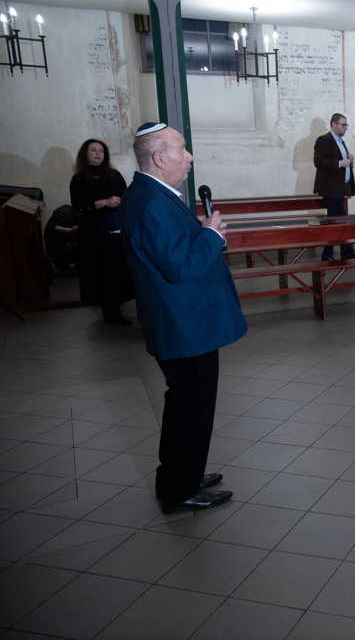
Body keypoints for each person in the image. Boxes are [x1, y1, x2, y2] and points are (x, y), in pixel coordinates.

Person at [119, 122, 246, 513]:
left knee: (187, 404)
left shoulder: (150, 193)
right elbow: (178, 265)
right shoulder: (152, 202)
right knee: (190, 406)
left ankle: (182, 473)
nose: (189, 157)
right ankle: (180, 489)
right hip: (182, 325)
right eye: (181, 149)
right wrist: (211, 235)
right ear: (159, 157)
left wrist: (204, 233)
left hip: (185, 321)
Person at [70, 138, 135, 325]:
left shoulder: (113, 174)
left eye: (101, 150)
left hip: (114, 223)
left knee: (117, 266)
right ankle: (109, 308)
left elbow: (127, 195)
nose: (98, 153)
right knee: (101, 268)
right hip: (93, 228)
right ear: (85, 154)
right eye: (93, 150)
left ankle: (117, 304)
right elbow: (78, 206)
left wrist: (119, 201)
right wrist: (103, 202)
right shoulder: (79, 179)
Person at [314, 113, 355, 260]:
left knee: (334, 222)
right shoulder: (324, 140)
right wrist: (340, 163)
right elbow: (318, 161)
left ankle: (328, 255)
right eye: (343, 125)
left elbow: (342, 161)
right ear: (334, 125)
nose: (346, 128)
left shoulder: (340, 141)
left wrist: (349, 160)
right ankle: (347, 253)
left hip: (341, 187)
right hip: (331, 188)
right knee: (339, 221)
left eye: (346, 125)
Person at [44, 204, 78, 272]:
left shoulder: (70, 211)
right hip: (57, 251)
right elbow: (51, 227)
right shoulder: (65, 212)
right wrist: (69, 230)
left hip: (59, 247)